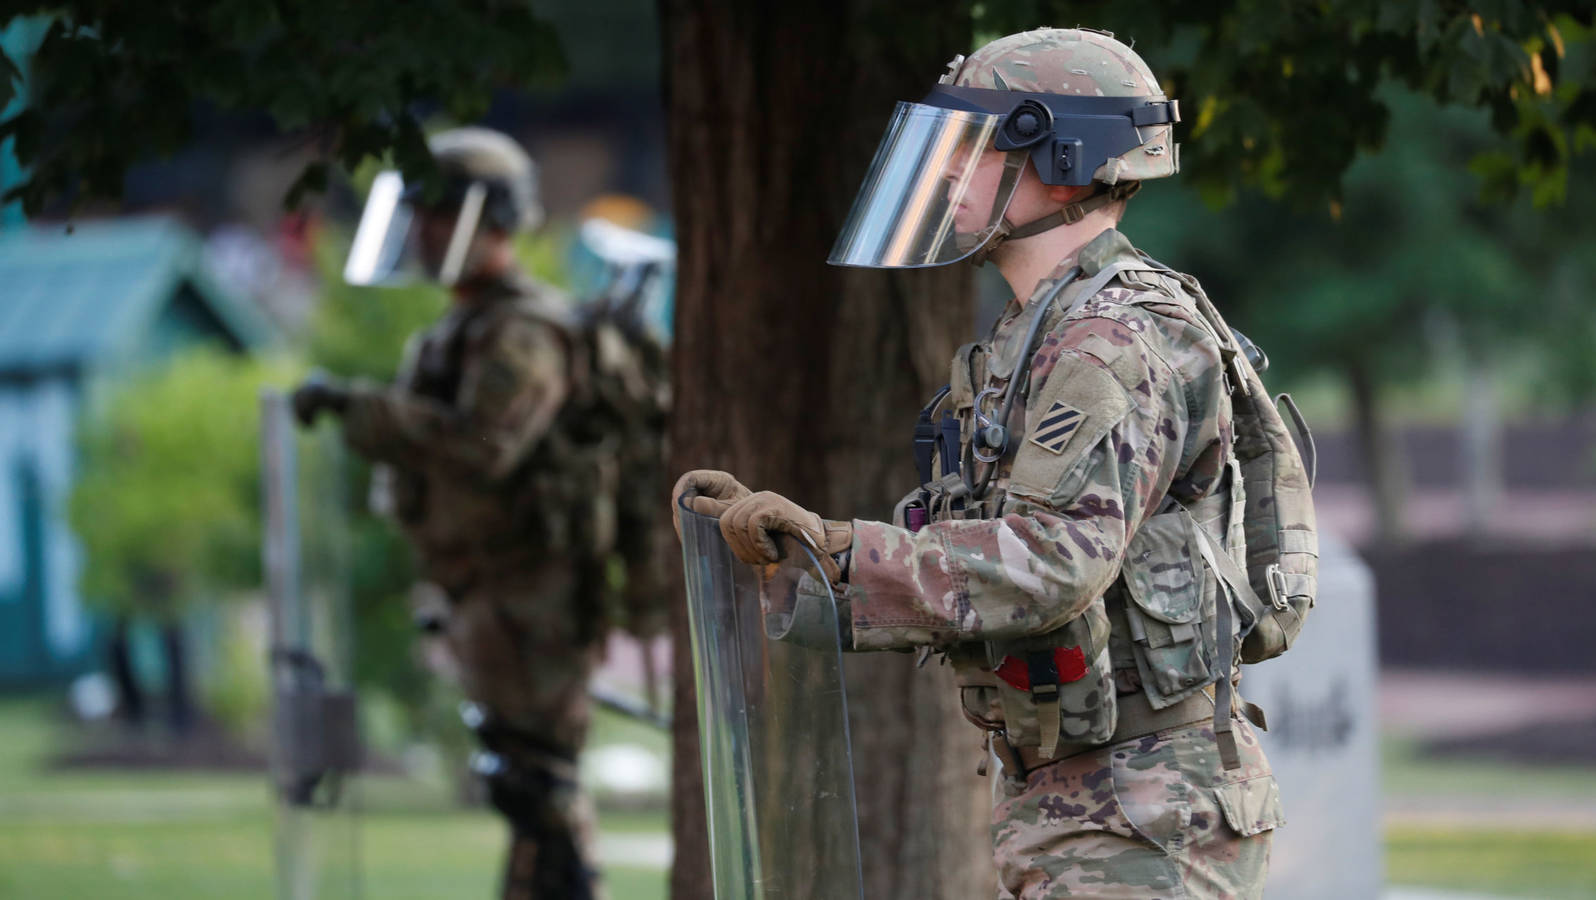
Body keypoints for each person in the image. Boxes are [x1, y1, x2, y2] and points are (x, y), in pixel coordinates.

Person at [677, 28, 1294, 899]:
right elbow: (977, 540)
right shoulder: (1037, 333)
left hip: (1145, 810)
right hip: (1091, 796)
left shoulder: (1107, 342)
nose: (943, 175)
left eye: (969, 147)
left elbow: (1056, 559)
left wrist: (849, 553)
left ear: (1066, 162)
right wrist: (805, 559)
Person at [292, 127, 608, 900]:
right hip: (489, 594)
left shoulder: (523, 328)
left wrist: (360, 409)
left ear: (490, 219)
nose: (424, 233)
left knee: (540, 786)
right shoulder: (467, 324)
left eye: (440, 216)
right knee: (523, 783)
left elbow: (485, 446)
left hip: (531, 599)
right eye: (422, 216)